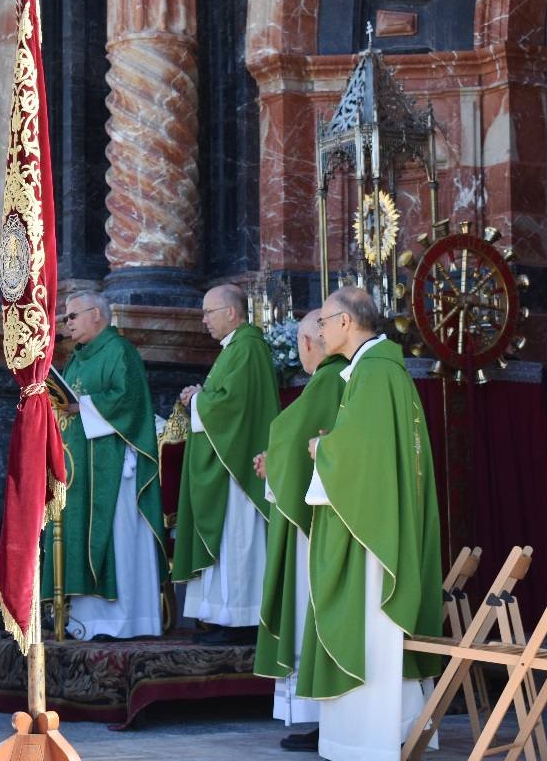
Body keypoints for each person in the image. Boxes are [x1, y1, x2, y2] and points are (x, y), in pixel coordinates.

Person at [296, 287, 443, 761]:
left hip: (372, 535)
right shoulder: (378, 369)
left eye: (323, 321)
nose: (318, 331)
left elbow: (361, 454)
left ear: (345, 322)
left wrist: (322, 449)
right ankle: (391, 729)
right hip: (379, 519)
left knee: (371, 626)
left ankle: (367, 738)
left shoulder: (375, 373)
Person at [42, 290, 164, 640]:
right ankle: (85, 621)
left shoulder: (120, 351)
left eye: (72, 316)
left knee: (116, 537)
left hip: (112, 465)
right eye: (66, 318)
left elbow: (129, 400)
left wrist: (82, 407)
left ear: (96, 314)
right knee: (76, 532)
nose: (66, 324)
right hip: (78, 464)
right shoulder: (77, 360)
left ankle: (124, 623)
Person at [252, 310, 348, 752]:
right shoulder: (338, 376)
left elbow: (300, 439)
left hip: (319, 521)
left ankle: (321, 715)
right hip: (317, 511)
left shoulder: (329, 378)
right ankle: (319, 715)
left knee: (308, 610)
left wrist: (276, 460)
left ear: (309, 343)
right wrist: (278, 459)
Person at [171, 284, 279, 644]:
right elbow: (224, 398)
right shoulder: (235, 348)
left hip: (238, 468)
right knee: (229, 545)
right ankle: (223, 618)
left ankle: (243, 621)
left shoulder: (247, 346)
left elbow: (232, 405)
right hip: (226, 461)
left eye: (208, 312)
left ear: (231, 313)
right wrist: (201, 398)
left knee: (238, 541)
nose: (203, 321)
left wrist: (199, 400)